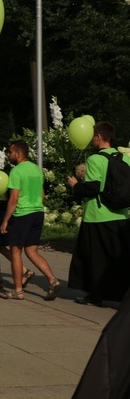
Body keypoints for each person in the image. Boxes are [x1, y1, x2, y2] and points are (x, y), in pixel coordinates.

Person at [67, 122, 130, 306]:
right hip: (122, 216)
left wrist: (76, 186)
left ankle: (95, 294)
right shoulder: (125, 159)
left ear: (98, 137)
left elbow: (94, 187)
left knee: (93, 259)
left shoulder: (95, 159)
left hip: (97, 216)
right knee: (119, 260)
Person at [0, 140, 61, 301]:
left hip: (22, 214)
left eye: (10, 152)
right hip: (37, 212)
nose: (8, 155)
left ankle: (18, 290)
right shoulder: (36, 169)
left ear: (18, 154)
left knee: (15, 251)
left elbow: (13, 199)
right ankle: (53, 280)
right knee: (32, 251)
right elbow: (42, 194)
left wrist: (5, 220)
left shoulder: (16, 171)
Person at [0, 151, 33, 290]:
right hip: (6, 210)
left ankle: (4, 277)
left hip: (2, 212)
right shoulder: (4, 172)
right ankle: (18, 272)